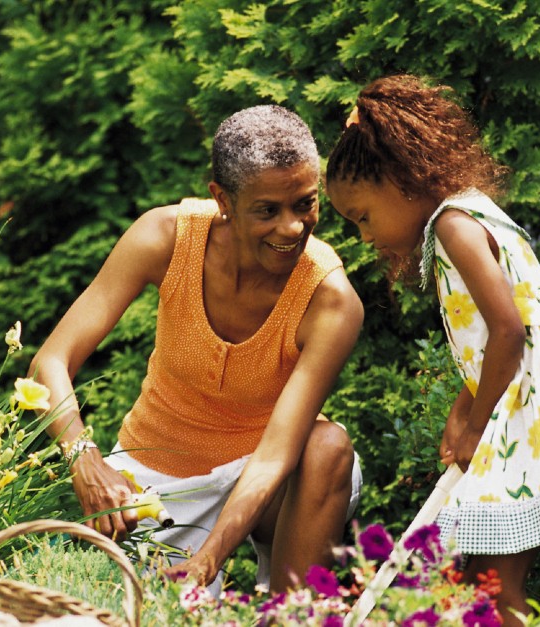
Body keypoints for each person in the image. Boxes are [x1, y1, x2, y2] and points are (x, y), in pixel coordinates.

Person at [325, 74, 540, 623]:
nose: (365, 236)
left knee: (495, 584)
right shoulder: (464, 213)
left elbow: (508, 330)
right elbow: (493, 343)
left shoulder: (454, 226)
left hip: (532, 409)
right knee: (480, 580)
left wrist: (477, 425)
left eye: (362, 215)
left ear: (401, 178)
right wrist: (463, 407)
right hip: (531, 400)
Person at [29, 105, 365, 593]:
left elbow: (274, 457)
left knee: (328, 446)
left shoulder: (329, 299)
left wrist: (207, 560)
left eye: (305, 203)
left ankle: (292, 616)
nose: (292, 227)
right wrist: (85, 459)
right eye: (268, 210)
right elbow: (51, 360)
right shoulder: (164, 238)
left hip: (265, 480)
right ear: (222, 199)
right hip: (157, 478)